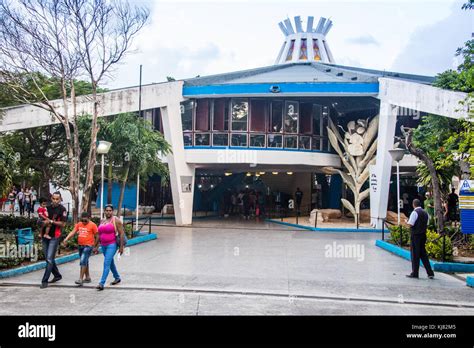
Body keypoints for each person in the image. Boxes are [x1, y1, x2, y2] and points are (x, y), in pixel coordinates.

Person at [62, 211, 99, 286]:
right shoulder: (79, 224)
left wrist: (95, 246)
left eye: (86, 220)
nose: (84, 222)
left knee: (83, 260)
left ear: (89, 218)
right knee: (85, 261)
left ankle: (80, 279)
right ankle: (87, 277)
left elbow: (98, 236)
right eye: (82, 220)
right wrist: (66, 238)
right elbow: (73, 232)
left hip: (88, 246)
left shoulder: (93, 225)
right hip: (80, 246)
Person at [40, 192, 67, 289]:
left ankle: (44, 280)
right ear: (51, 198)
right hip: (45, 235)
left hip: (54, 237)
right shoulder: (46, 207)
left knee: (49, 259)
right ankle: (57, 275)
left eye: (57, 199)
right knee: (48, 258)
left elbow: (63, 224)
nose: (55, 200)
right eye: (54, 198)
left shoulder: (62, 209)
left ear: (60, 199)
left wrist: (51, 221)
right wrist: (42, 223)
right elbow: (40, 220)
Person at [96, 204, 125, 291]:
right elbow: (99, 234)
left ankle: (101, 283)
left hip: (112, 244)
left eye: (110, 210)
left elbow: (121, 233)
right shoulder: (102, 220)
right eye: (107, 210)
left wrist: (121, 247)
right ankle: (117, 277)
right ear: (104, 211)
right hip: (103, 245)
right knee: (110, 262)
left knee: (106, 262)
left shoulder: (116, 220)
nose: (108, 212)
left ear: (112, 211)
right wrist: (95, 246)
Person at [406, 199, 435, 279]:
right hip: (423, 235)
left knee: (415, 254)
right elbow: (427, 223)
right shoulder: (425, 213)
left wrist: (406, 222)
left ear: (413, 204)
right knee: (423, 254)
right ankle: (430, 272)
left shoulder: (414, 212)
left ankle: (415, 273)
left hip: (415, 235)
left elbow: (411, 224)